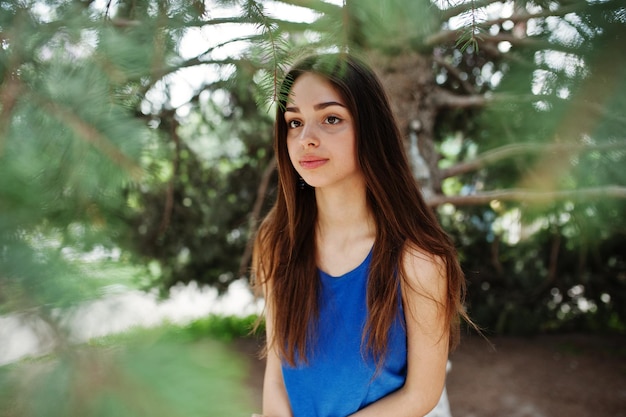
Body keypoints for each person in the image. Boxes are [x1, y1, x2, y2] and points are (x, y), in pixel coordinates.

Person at [251, 52, 472, 417]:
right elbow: (277, 372)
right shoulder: (277, 244)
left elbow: (422, 394)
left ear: (370, 130)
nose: (306, 138)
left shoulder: (418, 261)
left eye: (331, 118)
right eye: (294, 122)